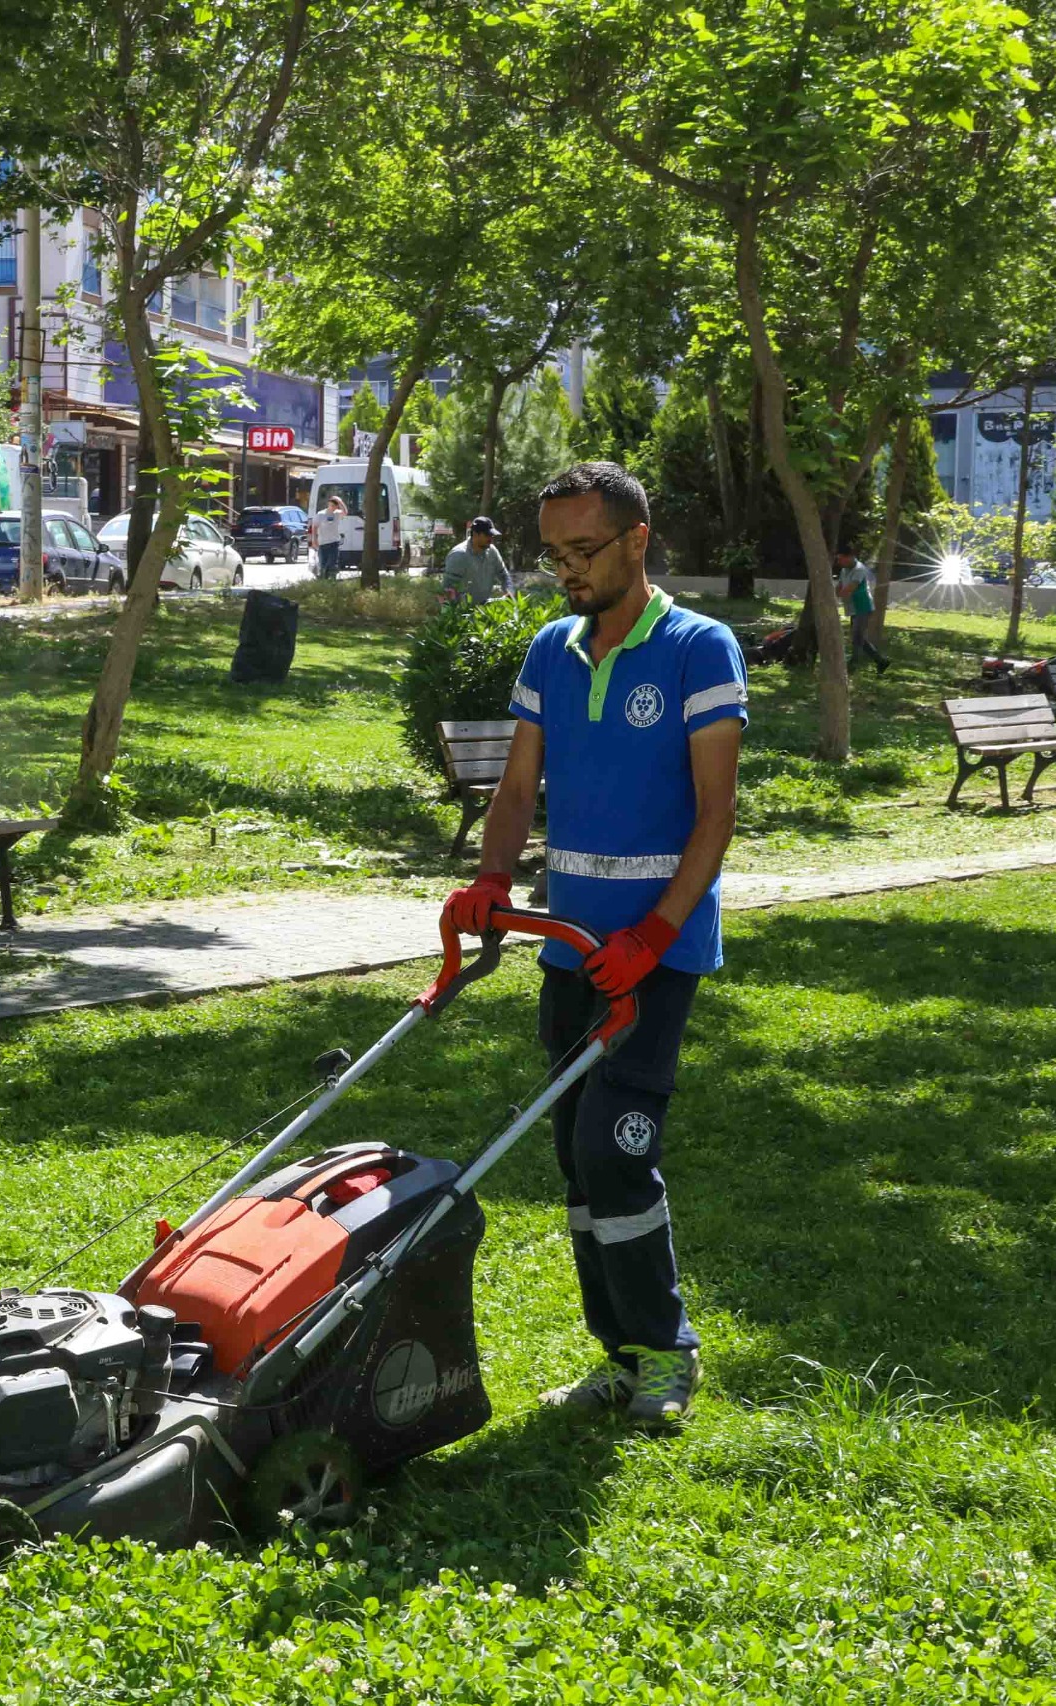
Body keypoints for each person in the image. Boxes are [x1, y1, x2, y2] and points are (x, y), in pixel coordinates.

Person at [442, 460, 745, 1430]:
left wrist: (655, 933)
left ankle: (667, 1351)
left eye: (584, 550)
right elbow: (517, 790)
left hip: (654, 960)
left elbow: (714, 815)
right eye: (554, 553)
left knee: (616, 1150)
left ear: (636, 540)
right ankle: (618, 1353)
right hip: (568, 950)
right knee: (576, 1160)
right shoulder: (549, 652)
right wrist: (491, 879)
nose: (566, 570)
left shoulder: (700, 649)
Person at [441, 516, 513, 608]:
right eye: (487, 535)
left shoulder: (492, 551)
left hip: (484, 610)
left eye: (492, 535)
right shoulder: (459, 555)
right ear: (475, 534)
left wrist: (509, 591)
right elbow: (448, 589)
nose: (491, 538)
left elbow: (503, 575)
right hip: (462, 613)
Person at [835, 548, 888, 673]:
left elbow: (850, 588)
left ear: (849, 557)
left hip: (863, 607)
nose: (839, 562)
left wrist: (835, 598)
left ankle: (853, 664)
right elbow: (840, 586)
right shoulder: (844, 570)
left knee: (857, 636)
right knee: (859, 638)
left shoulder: (859, 569)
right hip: (853, 608)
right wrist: (835, 594)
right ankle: (881, 661)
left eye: (841, 559)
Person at [313, 497, 346, 580]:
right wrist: (314, 540)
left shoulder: (337, 513)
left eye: (336, 506)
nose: (334, 508)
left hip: (334, 543)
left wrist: (340, 501)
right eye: (332, 506)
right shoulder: (321, 514)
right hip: (323, 543)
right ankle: (323, 580)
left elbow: (345, 512)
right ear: (329, 505)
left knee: (332, 564)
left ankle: (332, 580)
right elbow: (314, 527)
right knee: (323, 564)